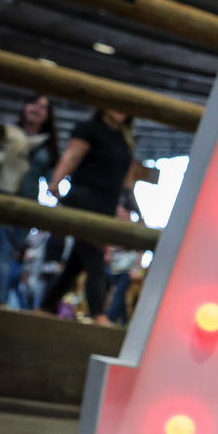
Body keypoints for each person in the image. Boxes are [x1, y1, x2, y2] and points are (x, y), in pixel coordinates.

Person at [38, 106, 134, 324]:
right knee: (94, 259)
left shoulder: (124, 139)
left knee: (75, 265)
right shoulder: (90, 128)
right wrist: (55, 182)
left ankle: (45, 307)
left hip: (106, 204)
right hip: (84, 199)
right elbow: (72, 155)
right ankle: (99, 315)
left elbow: (124, 179)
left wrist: (126, 207)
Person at [0, 94, 59, 309]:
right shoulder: (6, 134)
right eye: (33, 103)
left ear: (48, 115)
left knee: (4, 255)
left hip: (26, 208)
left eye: (43, 107)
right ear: (24, 106)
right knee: (4, 252)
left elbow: (52, 179)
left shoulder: (47, 146)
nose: (37, 109)